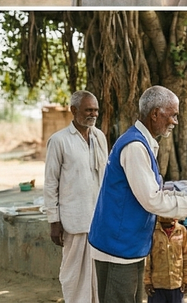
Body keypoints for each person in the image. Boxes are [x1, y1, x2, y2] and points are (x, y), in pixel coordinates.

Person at [88, 86, 187, 303]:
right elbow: (153, 200)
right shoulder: (135, 146)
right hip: (117, 247)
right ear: (155, 114)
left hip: (127, 245)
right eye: (173, 115)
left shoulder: (143, 143)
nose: (175, 122)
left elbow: (153, 190)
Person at [44, 91, 108, 303]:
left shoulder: (99, 137)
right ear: (74, 110)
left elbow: (104, 177)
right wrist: (54, 220)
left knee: (98, 276)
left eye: (96, 110)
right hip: (73, 219)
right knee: (73, 276)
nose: (93, 114)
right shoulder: (59, 141)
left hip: (97, 220)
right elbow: (51, 182)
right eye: (89, 109)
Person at [142, 216, 187, 303]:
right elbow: (147, 259)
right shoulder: (152, 231)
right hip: (157, 286)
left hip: (176, 284)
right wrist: (147, 282)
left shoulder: (181, 230)